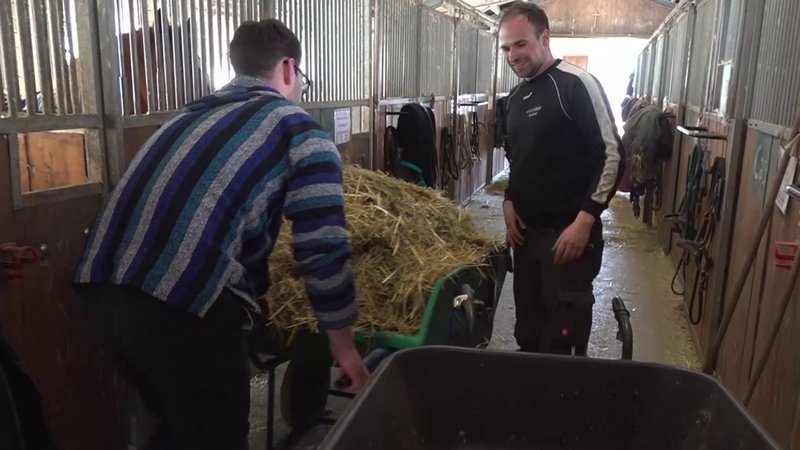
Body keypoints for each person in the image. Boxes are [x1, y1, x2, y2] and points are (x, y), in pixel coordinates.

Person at [72, 19, 369, 449]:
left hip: (100, 290)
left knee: (182, 429)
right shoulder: (299, 129)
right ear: (289, 68)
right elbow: (322, 247)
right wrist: (342, 345)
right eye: (302, 78)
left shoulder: (186, 117)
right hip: (182, 298)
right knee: (216, 435)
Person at [498, 2, 624, 356]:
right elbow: (519, 159)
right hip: (526, 237)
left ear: (545, 38)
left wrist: (586, 219)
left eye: (520, 44)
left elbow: (612, 154)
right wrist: (509, 200)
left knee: (563, 337)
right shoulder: (514, 98)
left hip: (567, 235)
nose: (512, 56)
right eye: (506, 48)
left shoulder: (576, 84)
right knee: (528, 334)